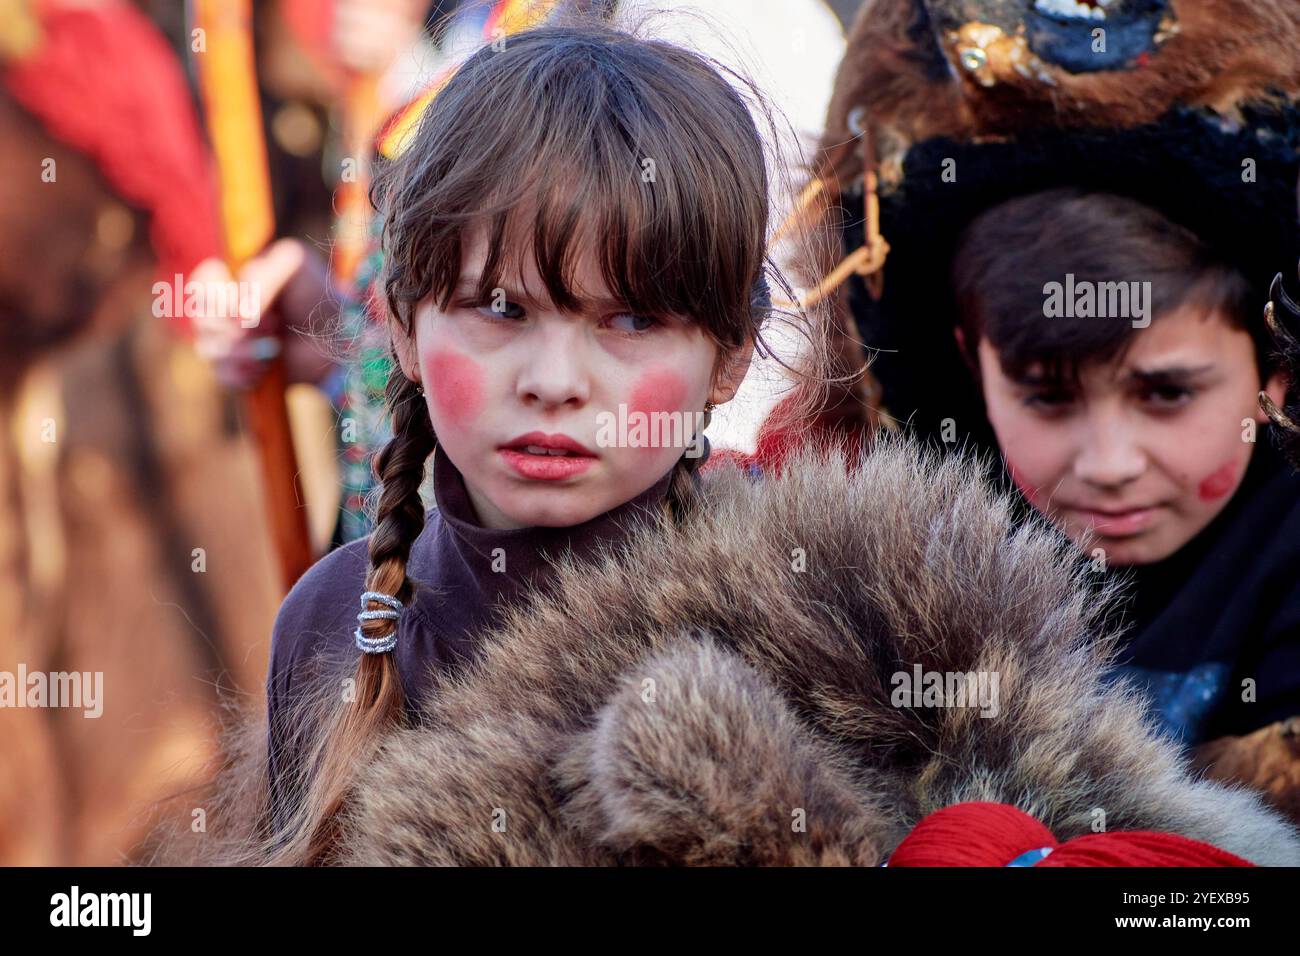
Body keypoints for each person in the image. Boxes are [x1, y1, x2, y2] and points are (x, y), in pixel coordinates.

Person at [143, 20, 1300, 868]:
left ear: (734, 359)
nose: (554, 381)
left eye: (633, 319)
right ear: (396, 321)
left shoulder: (860, 601)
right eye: (499, 309)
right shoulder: (336, 619)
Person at [948, 188, 1300, 751]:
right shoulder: (908, 538)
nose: (1109, 466)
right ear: (974, 365)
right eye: (1047, 397)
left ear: (1276, 373)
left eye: (1167, 393)